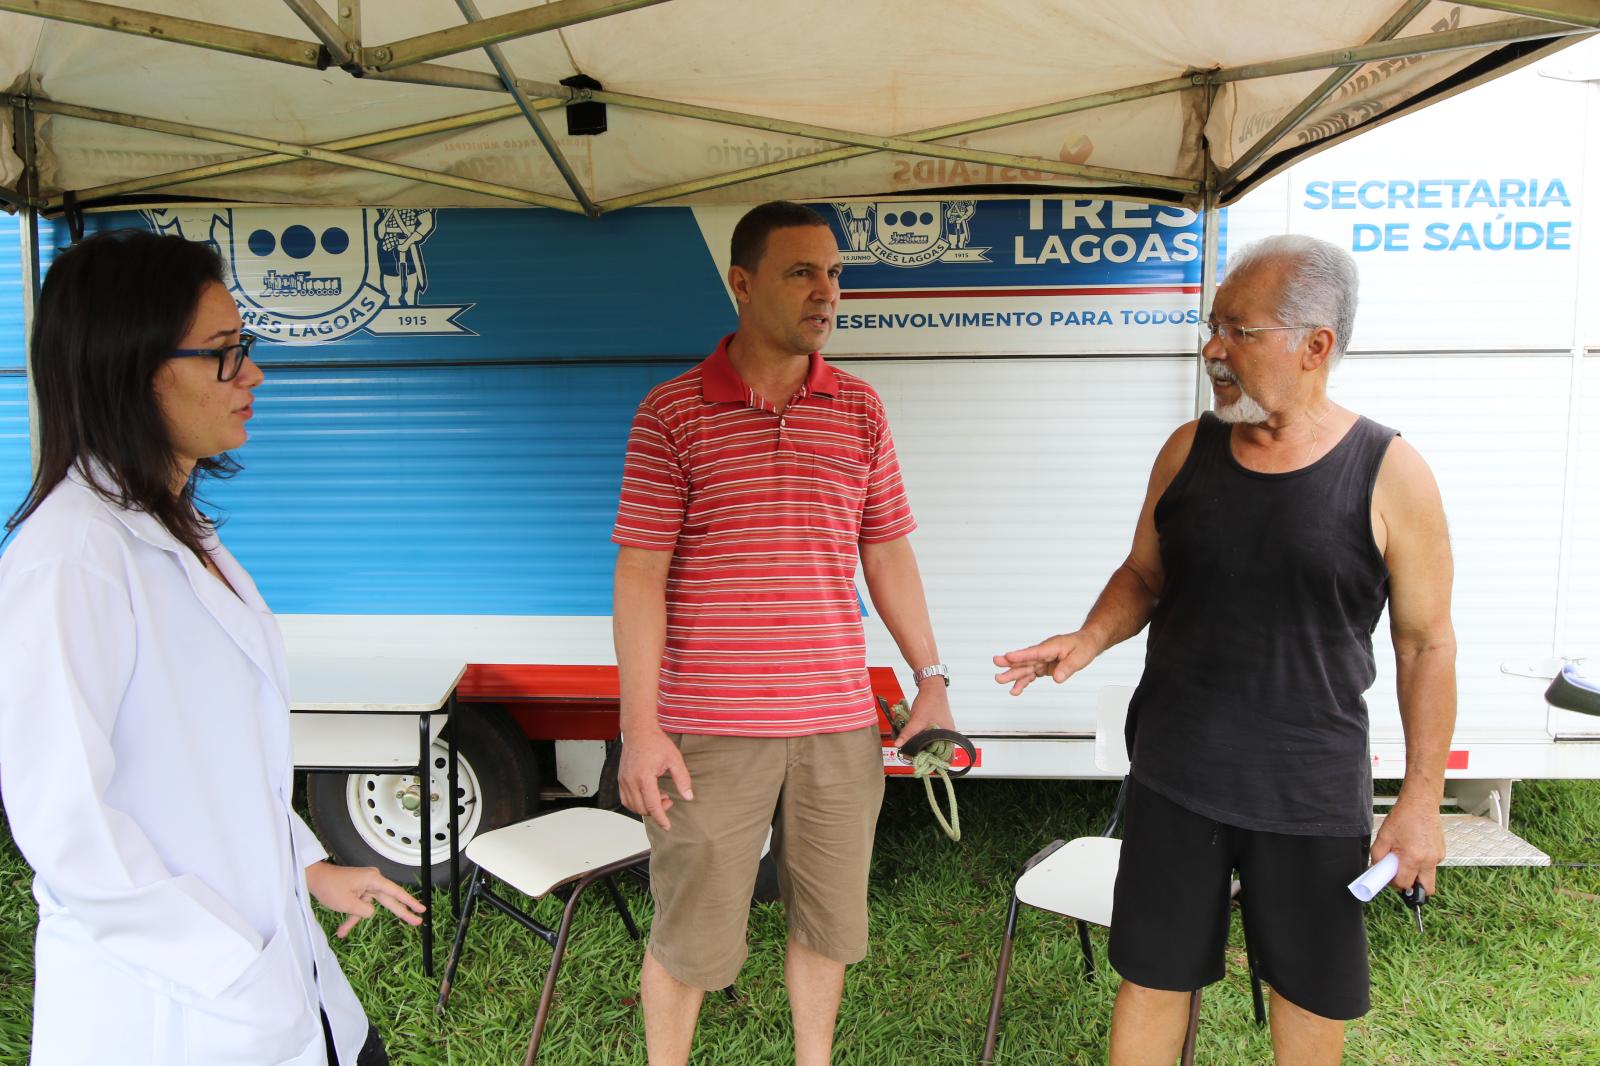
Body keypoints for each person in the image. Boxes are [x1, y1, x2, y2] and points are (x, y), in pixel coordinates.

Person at [995, 234, 1456, 1066]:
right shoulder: (1188, 450)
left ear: (1315, 345)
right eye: (1214, 327)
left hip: (1309, 789)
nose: (1213, 349)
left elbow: (1426, 642)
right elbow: (1144, 572)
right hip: (1178, 775)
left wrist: (1421, 798)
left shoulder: (1390, 472)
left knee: (1308, 993)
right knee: (1154, 977)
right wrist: (1090, 637)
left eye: (1238, 331)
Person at [0, 230, 425, 1066]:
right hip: (182, 1009)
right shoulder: (71, 560)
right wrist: (236, 970)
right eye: (226, 354)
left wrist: (303, 866)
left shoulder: (169, 527)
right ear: (134, 368)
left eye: (247, 348)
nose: (253, 374)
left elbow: (214, 769)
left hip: (277, 978)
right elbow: (67, 828)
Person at [612, 200, 954, 1066]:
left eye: (834, 273)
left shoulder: (860, 409)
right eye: (802, 271)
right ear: (742, 283)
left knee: (829, 922)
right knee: (691, 936)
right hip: (711, 731)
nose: (827, 292)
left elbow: (887, 551)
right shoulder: (672, 413)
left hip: (837, 723)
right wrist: (641, 727)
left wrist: (931, 677)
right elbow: (639, 576)